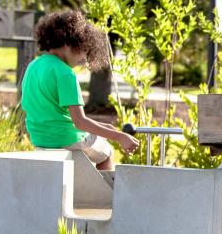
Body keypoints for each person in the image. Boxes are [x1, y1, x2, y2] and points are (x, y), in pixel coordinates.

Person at [21, 10, 139, 170]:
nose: (85, 58)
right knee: (107, 153)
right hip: (67, 137)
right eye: (84, 49)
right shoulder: (65, 73)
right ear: (69, 43)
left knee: (95, 141)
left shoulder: (33, 66)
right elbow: (79, 122)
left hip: (39, 137)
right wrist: (119, 136)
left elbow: (56, 114)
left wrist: (103, 127)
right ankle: (100, 195)